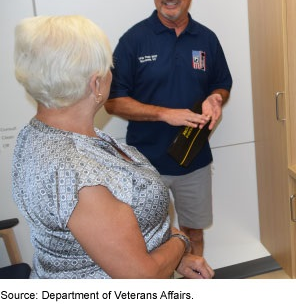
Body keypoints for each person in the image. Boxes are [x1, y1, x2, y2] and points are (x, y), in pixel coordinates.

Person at [12, 15, 214, 279]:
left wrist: (173, 258)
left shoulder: (39, 134)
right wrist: (180, 243)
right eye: (109, 68)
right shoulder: (78, 174)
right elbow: (141, 278)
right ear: (96, 85)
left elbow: (117, 240)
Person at [105, 0, 233, 257]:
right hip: (146, 164)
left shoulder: (206, 38)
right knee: (151, 242)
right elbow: (111, 101)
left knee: (193, 235)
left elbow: (222, 83)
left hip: (194, 160)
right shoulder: (133, 40)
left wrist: (216, 98)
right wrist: (164, 113)